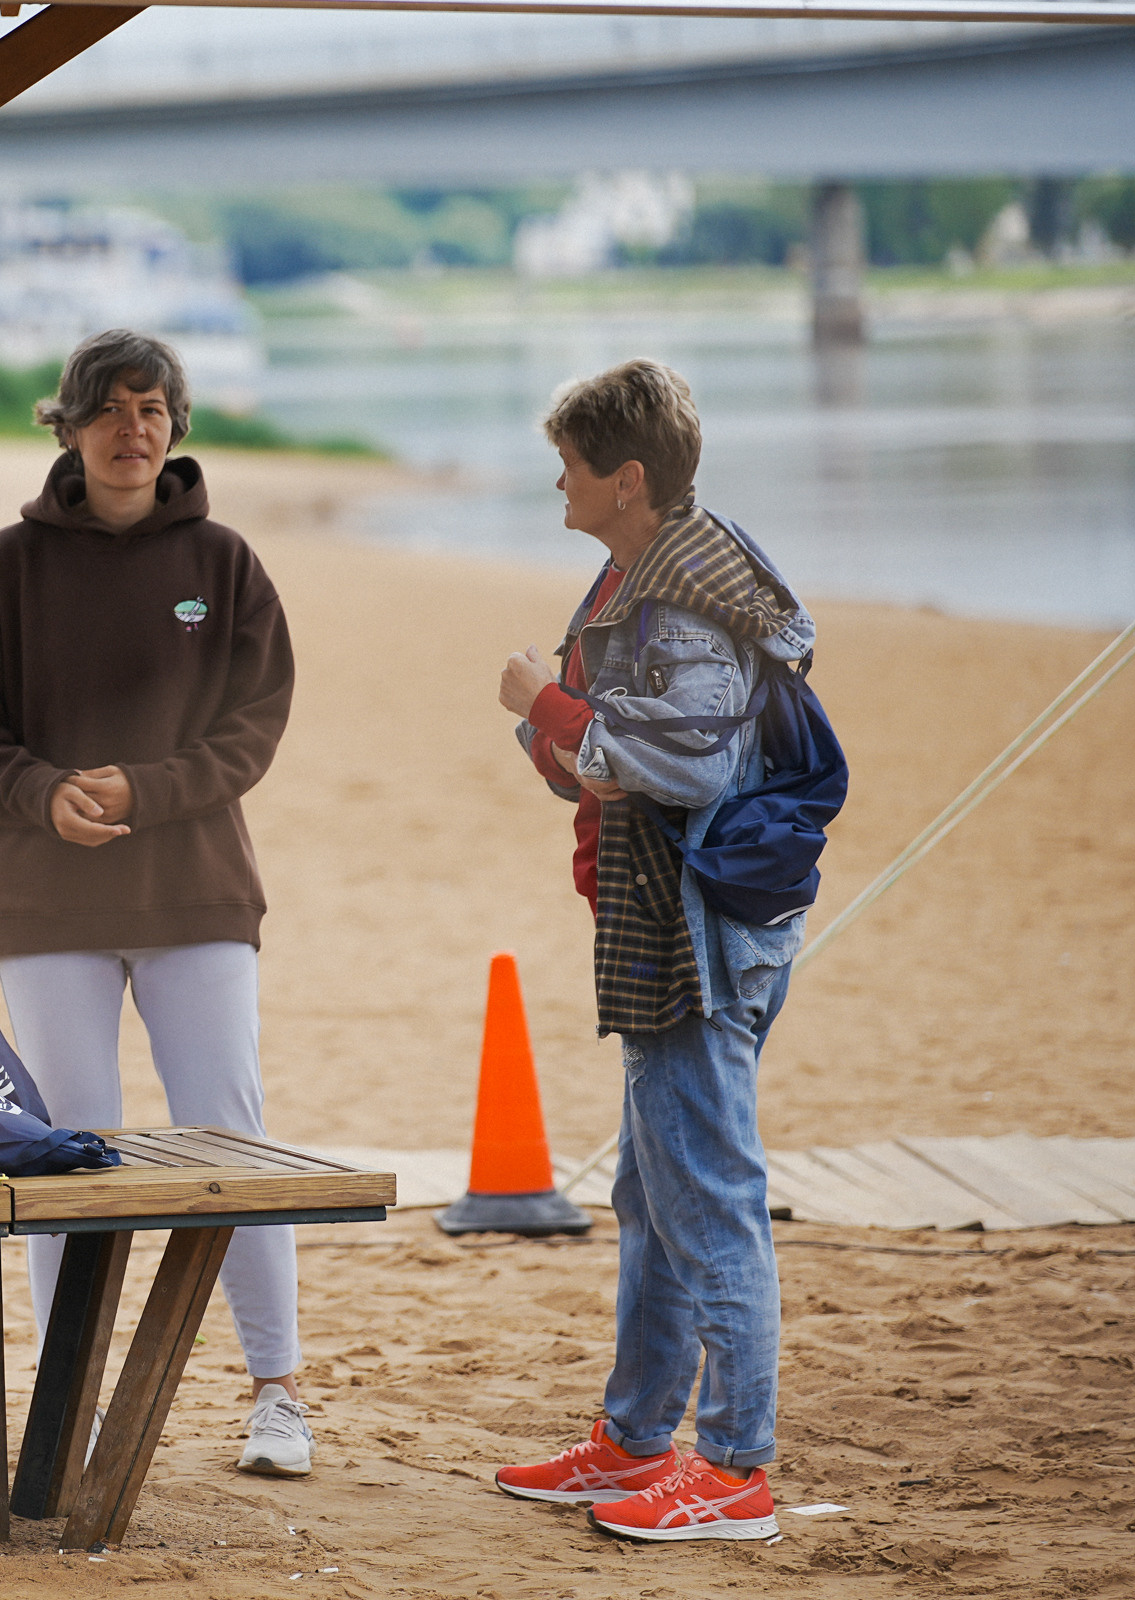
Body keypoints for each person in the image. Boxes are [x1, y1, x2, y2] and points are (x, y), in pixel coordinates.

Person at [490, 359, 814, 1543]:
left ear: (627, 480)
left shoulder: (676, 601)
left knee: (708, 1193)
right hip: (688, 921)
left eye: (571, 465)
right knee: (654, 1187)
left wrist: (549, 704)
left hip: (696, 934)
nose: (558, 483)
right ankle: (635, 1439)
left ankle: (733, 1470)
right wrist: (554, 728)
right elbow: (621, 757)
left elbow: (690, 765)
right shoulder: (650, 570)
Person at [0, 329, 310, 1477]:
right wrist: (41, 794)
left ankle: (278, 1392)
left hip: (196, 893)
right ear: (69, 424)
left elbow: (253, 726)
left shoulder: (222, 563)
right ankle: (63, 1399)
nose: (135, 428)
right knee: (61, 1148)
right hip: (42, 900)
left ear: (177, 427)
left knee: (228, 1129)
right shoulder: (5, 567)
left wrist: (147, 787)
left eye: (155, 408)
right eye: (113, 409)